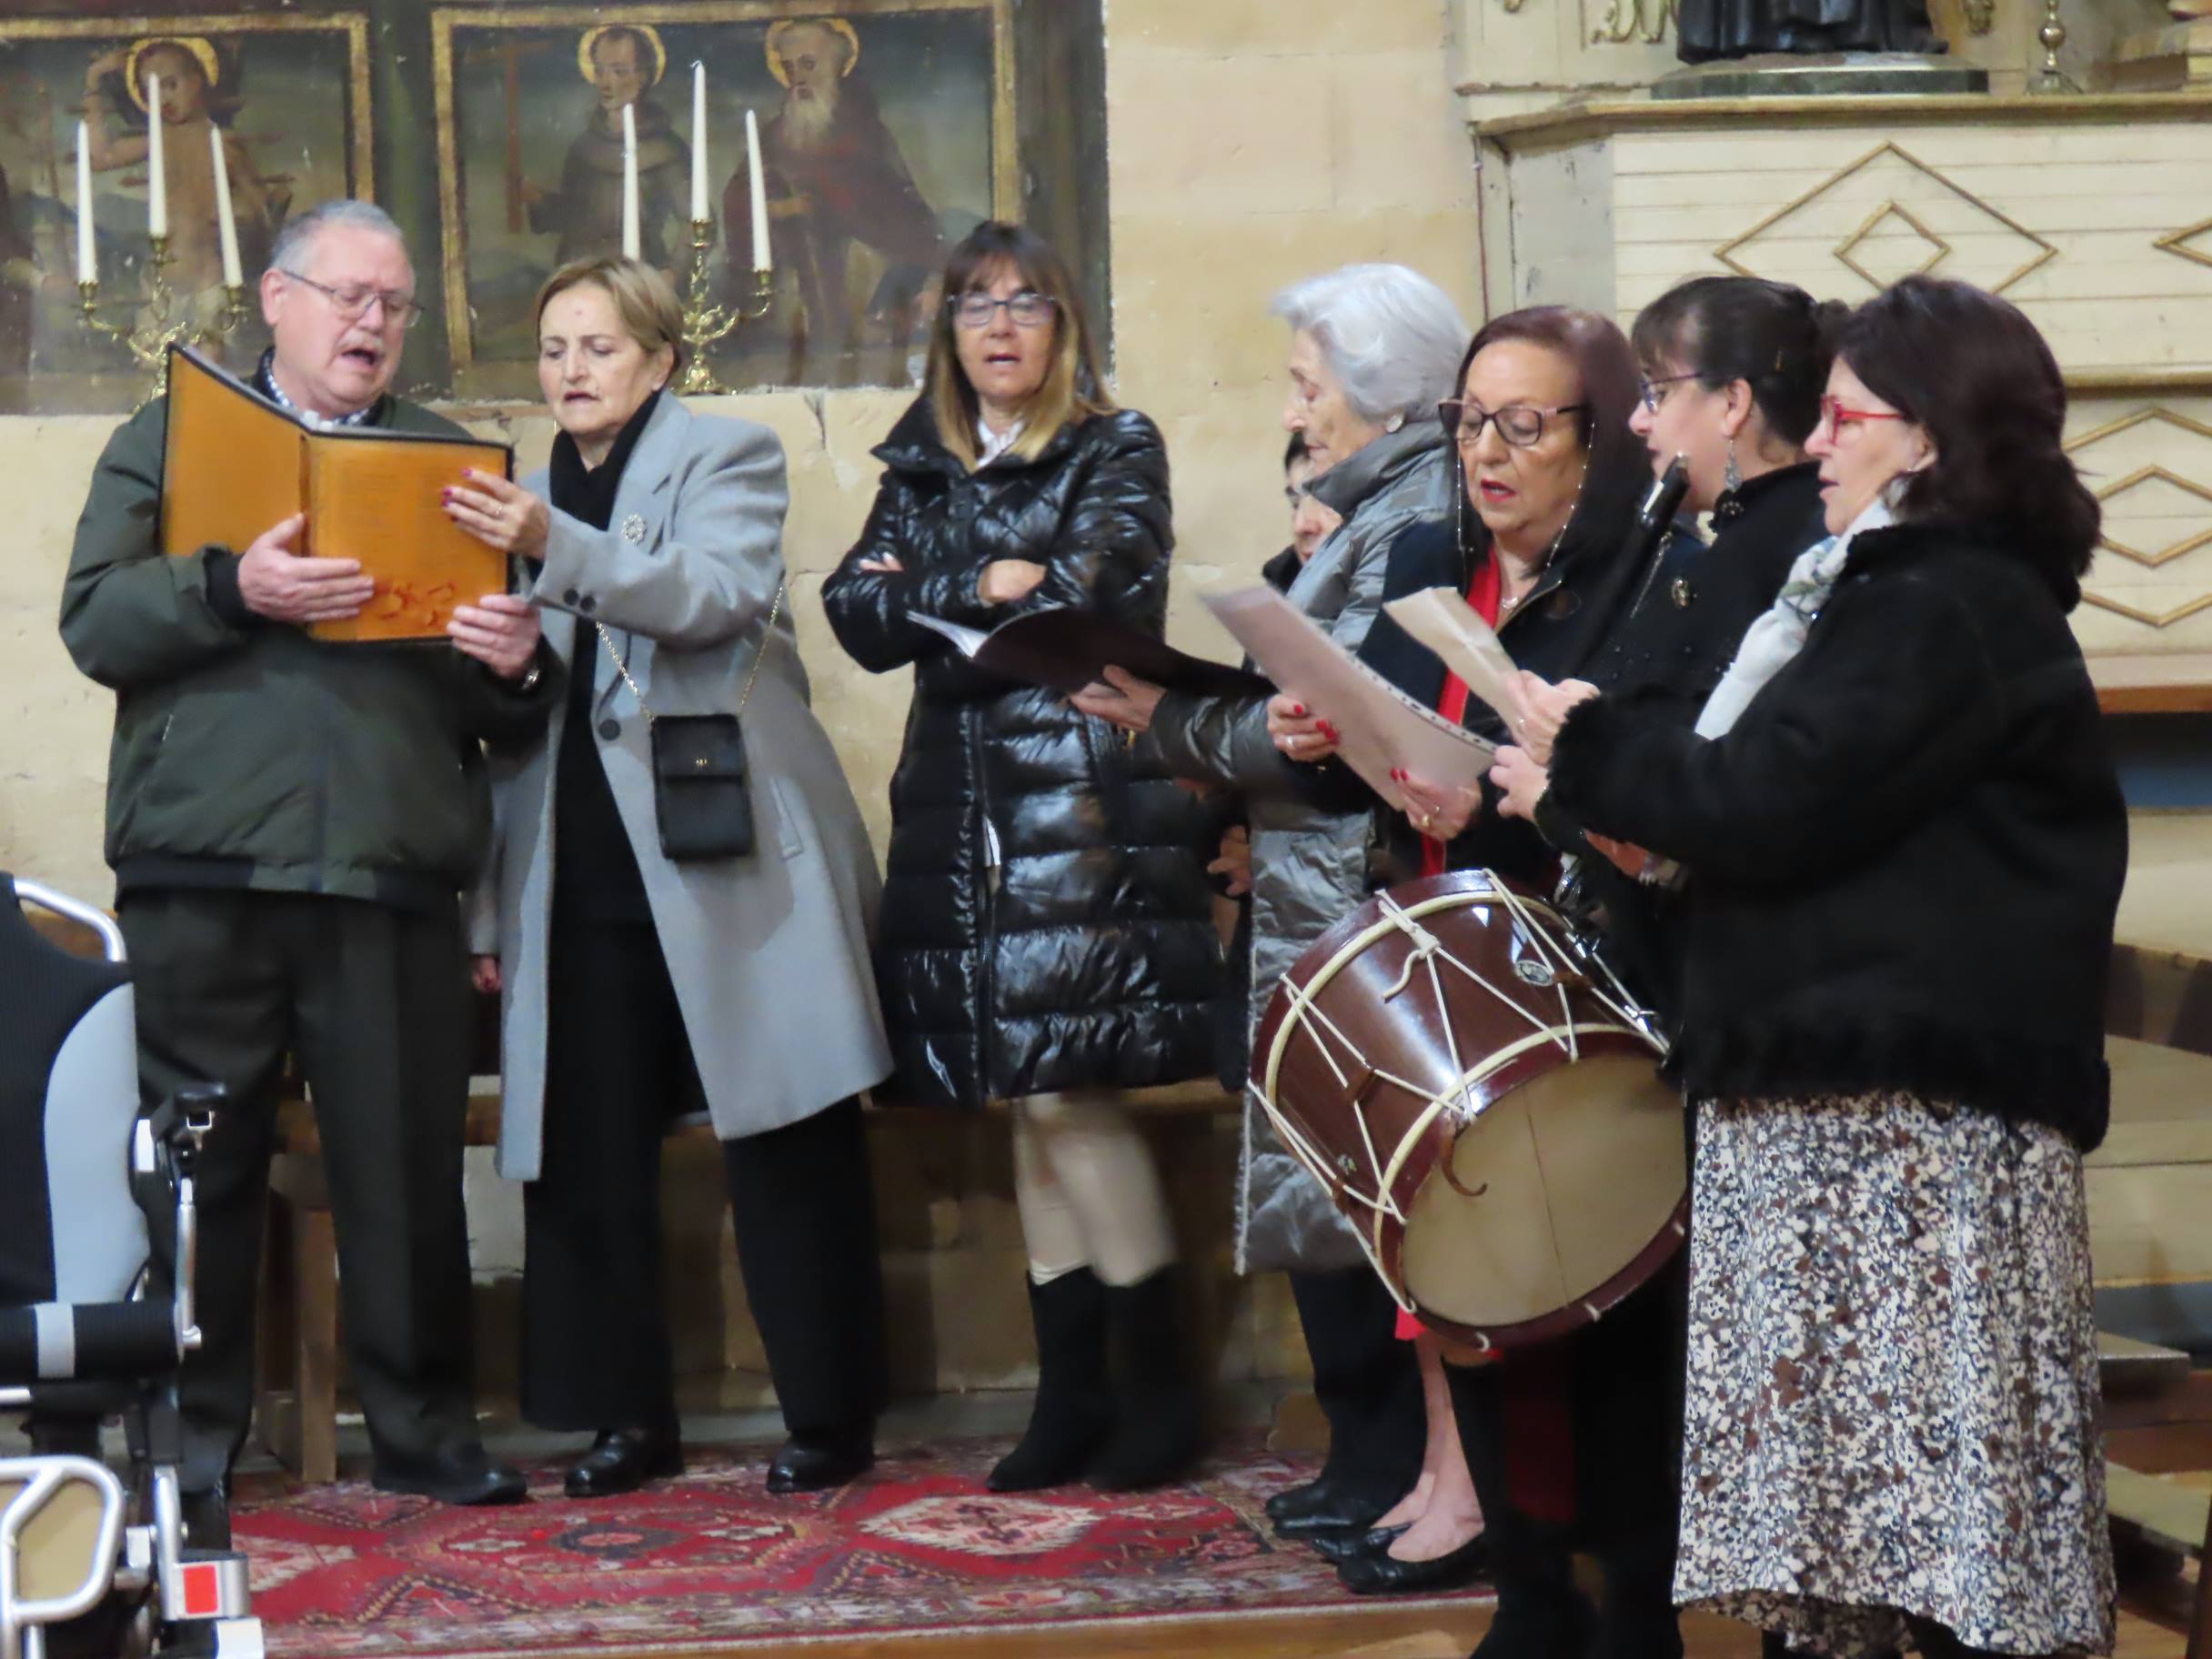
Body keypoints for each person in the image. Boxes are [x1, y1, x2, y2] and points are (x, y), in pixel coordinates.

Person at [1523, 274, 2126, 1659]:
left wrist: (1597, 751)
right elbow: (1766, 796)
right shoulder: (1883, 591)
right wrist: (1607, 772)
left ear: (1928, 437)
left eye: (1849, 414)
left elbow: (1773, 801)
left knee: (1932, 1531)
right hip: (1842, 1124)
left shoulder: (1949, 602)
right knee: (1848, 1526)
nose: (1826, 440)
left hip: (1910, 1136)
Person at [58, 200, 556, 1538]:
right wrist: (231, 588)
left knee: (401, 1173)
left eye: (392, 303)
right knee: (195, 1173)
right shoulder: (174, 433)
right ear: (275, 298)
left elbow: (499, 708)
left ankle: (423, 1435)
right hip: (201, 870)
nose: (371, 323)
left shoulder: (454, 466)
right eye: (346, 295)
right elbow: (94, 622)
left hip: (387, 875)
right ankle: (197, 1439)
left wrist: (519, 667)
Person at [447, 256, 894, 1499]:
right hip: (569, 857)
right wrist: (499, 665)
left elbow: (716, 594)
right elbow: (508, 710)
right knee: (587, 1150)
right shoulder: (518, 493)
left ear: (657, 358)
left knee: (785, 1132)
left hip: (723, 843)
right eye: (552, 349)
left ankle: (829, 1414)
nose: (571, 371)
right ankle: (622, 1421)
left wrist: (555, 546)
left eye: (597, 347)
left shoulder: (727, 454)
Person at [1070, 263, 1467, 1543]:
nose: (1297, 414)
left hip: (1357, 893)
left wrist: (1163, 721)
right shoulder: (1359, 507)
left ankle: (1399, 1467)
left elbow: (1325, 731)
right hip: (1307, 892)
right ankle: (1366, 1458)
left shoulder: (1417, 513)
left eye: (1311, 386)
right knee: (1326, 1197)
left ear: (1381, 393)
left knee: (1367, 1205)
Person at [819, 221, 1218, 1493]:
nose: (999, 327)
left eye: (1026, 303)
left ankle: (1160, 1392)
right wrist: (981, 576)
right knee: (1025, 1104)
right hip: (966, 809)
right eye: (975, 305)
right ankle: (1071, 1398)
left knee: (1070, 1096)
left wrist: (985, 585)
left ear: (1066, 326)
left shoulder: (1117, 443)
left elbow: (1091, 590)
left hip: (1085, 803)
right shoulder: (923, 459)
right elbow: (855, 608)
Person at [727, 16, 945, 384]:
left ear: (838, 66)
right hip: (790, 260)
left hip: (863, 249)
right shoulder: (772, 134)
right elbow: (738, 194)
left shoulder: (865, 130)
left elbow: (898, 201)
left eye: (809, 64)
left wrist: (829, 209)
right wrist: (774, 209)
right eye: (789, 67)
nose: (798, 77)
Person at [528, 25, 684, 270]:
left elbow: (695, 223)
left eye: (619, 72)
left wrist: (673, 274)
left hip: (636, 273)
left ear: (643, 77)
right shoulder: (584, 147)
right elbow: (576, 217)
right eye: (600, 71)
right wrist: (540, 202)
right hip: (579, 270)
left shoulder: (665, 150)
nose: (606, 82)